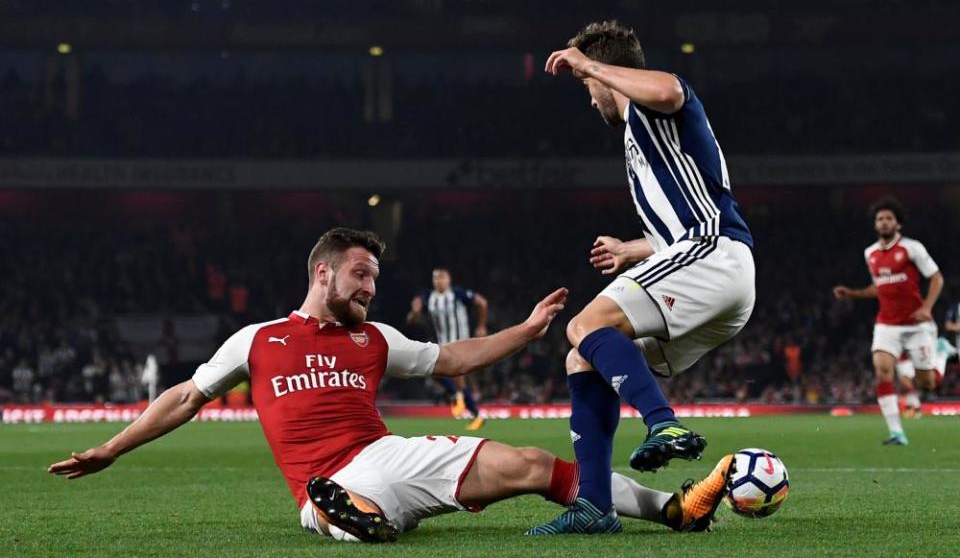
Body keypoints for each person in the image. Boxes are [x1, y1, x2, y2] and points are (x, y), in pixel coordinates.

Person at [48, 228, 733, 543]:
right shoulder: (258, 339)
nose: (371, 288)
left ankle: (674, 509)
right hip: (323, 481)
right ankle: (348, 517)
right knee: (327, 503)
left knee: (531, 464)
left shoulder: (375, 340)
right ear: (322, 274)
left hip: (384, 458)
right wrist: (112, 448)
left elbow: (454, 359)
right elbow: (184, 397)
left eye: (374, 278)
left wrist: (526, 332)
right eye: (360, 276)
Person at [531, 21, 755, 534]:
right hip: (717, 269)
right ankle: (595, 506)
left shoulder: (651, 104)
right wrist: (634, 249)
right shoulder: (643, 140)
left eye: (590, 89)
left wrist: (585, 63)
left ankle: (663, 423)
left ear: (608, 73)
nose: (591, 101)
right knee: (581, 358)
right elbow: (677, 227)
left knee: (583, 326)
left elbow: (672, 87)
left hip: (713, 251)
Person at [833, 199, 944, 445]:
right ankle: (897, 432)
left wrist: (926, 308)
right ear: (875, 224)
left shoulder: (912, 248)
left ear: (898, 223)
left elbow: (936, 278)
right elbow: (880, 287)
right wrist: (852, 293)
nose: (883, 222)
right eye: (880, 219)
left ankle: (943, 355)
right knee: (882, 370)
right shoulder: (870, 253)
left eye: (888, 218)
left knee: (928, 384)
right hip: (887, 324)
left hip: (917, 325)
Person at [407, 268, 488, 430]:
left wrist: (481, 326)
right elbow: (412, 317)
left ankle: (461, 400)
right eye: (435, 278)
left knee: (454, 376)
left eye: (442, 277)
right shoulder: (429, 297)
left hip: (461, 342)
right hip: (444, 344)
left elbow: (482, 303)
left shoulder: (458, 294)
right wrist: (414, 313)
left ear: (449, 280)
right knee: (433, 371)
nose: (439, 281)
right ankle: (471, 410)